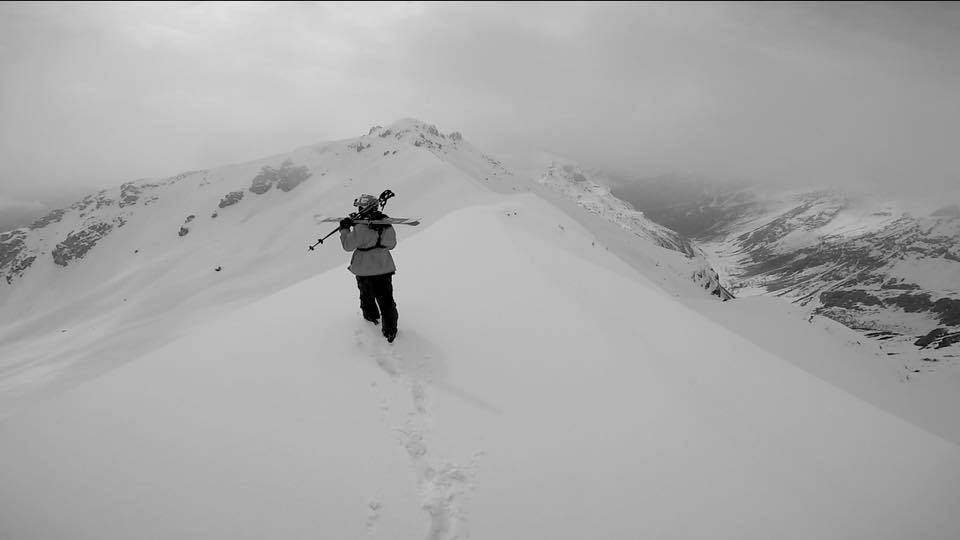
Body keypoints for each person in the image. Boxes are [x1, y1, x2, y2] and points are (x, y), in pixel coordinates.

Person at [340, 194, 399, 342]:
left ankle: (371, 317)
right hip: (384, 268)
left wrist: (345, 230)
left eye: (360, 207)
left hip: (365, 270)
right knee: (386, 301)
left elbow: (348, 246)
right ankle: (390, 330)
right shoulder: (386, 224)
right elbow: (391, 245)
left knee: (367, 297)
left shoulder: (360, 227)